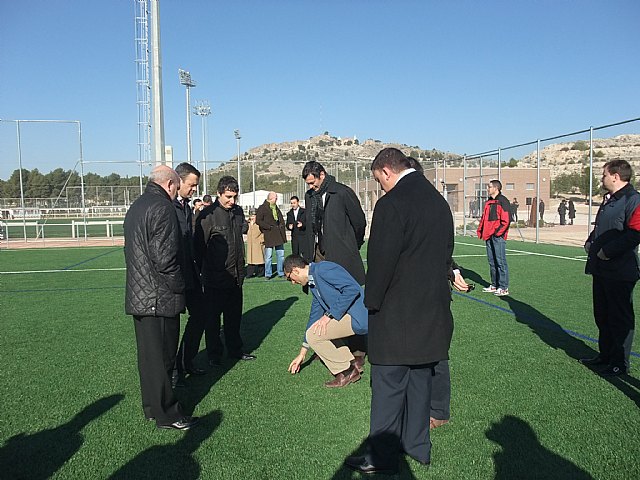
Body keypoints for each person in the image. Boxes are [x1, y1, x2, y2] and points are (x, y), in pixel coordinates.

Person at [345, 148, 454, 475]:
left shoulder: (391, 204)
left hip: (396, 315)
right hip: (431, 311)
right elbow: (445, 256)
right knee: (420, 382)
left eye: (379, 182)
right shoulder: (439, 202)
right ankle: (418, 448)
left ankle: (379, 456)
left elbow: (381, 263)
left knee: (388, 388)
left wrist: (371, 301)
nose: (380, 188)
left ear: (386, 172)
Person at [124, 165, 198, 430]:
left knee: (148, 358)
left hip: (140, 295)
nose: (178, 192)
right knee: (164, 358)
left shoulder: (137, 206)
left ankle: (152, 408)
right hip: (160, 297)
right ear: (169, 184)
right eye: (177, 187)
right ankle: (168, 413)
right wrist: (180, 287)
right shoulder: (163, 208)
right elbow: (165, 259)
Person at [581, 160, 640, 376]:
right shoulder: (610, 200)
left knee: (620, 318)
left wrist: (608, 251)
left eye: (604, 174)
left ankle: (619, 363)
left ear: (615, 176)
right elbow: (602, 228)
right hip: (602, 269)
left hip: (620, 271)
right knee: (602, 315)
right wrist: (590, 241)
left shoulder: (633, 199)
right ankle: (605, 355)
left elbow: (635, 233)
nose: (601, 178)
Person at [194, 176, 256, 365]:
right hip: (214, 279)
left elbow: (241, 231)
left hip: (236, 277)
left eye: (235, 197)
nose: (232, 201)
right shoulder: (208, 215)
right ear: (219, 194)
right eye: (228, 196)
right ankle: (214, 355)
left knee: (234, 318)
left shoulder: (237, 212)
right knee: (212, 321)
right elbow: (198, 249)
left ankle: (235, 350)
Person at [284, 255, 367, 387]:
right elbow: (314, 317)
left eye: (290, 278)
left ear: (295, 270)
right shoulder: (313, 282)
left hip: (360, 317)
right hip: (352, 316)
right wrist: (302, 354)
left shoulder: (323, 269)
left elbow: (351, 289)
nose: (292, 282)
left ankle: (347, 372)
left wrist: (328, 315)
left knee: (314, 334)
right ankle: (351, 365)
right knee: (316, 329)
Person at [170, 163, 208, 387]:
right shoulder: (167, 207)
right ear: (178, 181)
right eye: (192, 185)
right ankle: (173, 370)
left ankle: (186, 360)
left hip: (190, 273)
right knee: (171, 327)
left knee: (200, 315)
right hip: (174, 276)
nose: (194, 190)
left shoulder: (186, 207)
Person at [301, 161, 366, 284]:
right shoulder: (309, 196)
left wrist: (351, 244)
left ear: (322, 175)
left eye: (312, 182)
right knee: (321, 292)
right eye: (308, 184)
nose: (310, 187)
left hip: (340, 253)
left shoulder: (342, 192)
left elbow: (359, 222)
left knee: (343, 291)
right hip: (317, 253)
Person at [477, 180, 511, 296]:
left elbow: (506, 220)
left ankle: (503, 287)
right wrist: (481, 230)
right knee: (492, 262)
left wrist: (497, 233)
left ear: (496, 188)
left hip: (497, 237)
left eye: (489, 186)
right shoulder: (489, 202)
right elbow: (484, 219)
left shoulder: (503, 201)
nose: (487, 188)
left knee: (500, 262)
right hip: (488, 236)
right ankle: (494, 284)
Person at [256, 191, 287, 280]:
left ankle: (281, 272)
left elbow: (280, 219)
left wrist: (281, 225)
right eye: (275, 198)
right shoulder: (262, 208)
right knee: (268, 256)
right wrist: (268, 227)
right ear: (270, 198)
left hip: (278, 234)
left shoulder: (276, 207)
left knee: (280, 255)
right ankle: (268, 274)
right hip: (269, 234)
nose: (276, 199)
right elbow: (258, 221)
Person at [246, 210, 265, 278]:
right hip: (251, 244)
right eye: (251, 216)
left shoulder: (260, 223)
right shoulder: (247, 223)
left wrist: (262, 240)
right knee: (250, 260)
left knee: (260, 259)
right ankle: (250, 273)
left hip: (258, 243)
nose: (252, 217)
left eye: (254, 216)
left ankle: (261, 272)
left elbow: (264, 232)